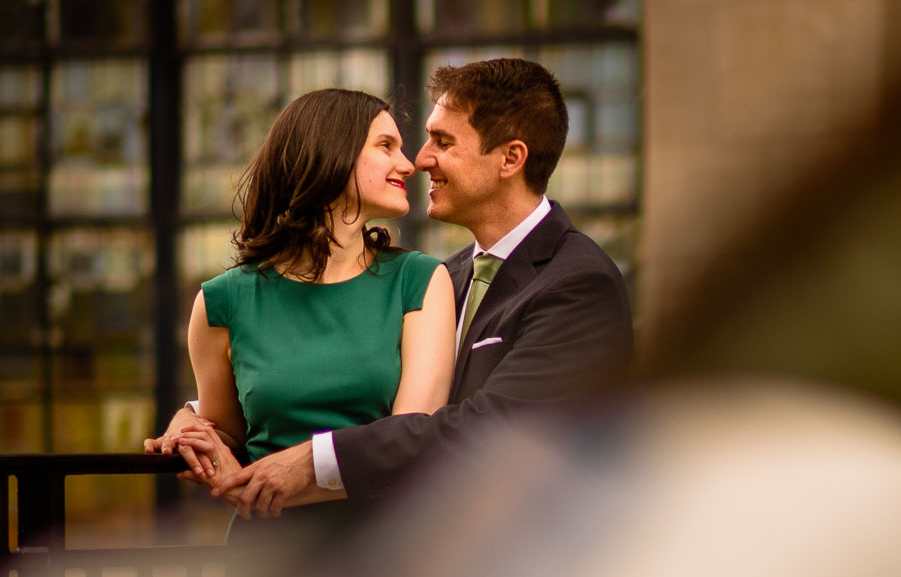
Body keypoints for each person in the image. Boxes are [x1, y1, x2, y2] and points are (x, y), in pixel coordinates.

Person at [152, 57, 635, 518]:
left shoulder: (577, 283)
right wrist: (194, 421)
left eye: (442, 142)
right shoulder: (452, 273)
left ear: (511, 158)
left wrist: (307, 463)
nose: (420, 160)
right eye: (400, 145)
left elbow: (489, 428)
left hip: (526, 571)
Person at [153, 88, 456, 547]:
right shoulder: (222, 302)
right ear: (331, 152)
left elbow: (409, 440)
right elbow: (227, 432)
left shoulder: (420, 281)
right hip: (266, 560)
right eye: (385, 146)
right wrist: (189, 427)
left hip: (385, 555)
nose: (409, 164)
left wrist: (279, 482)